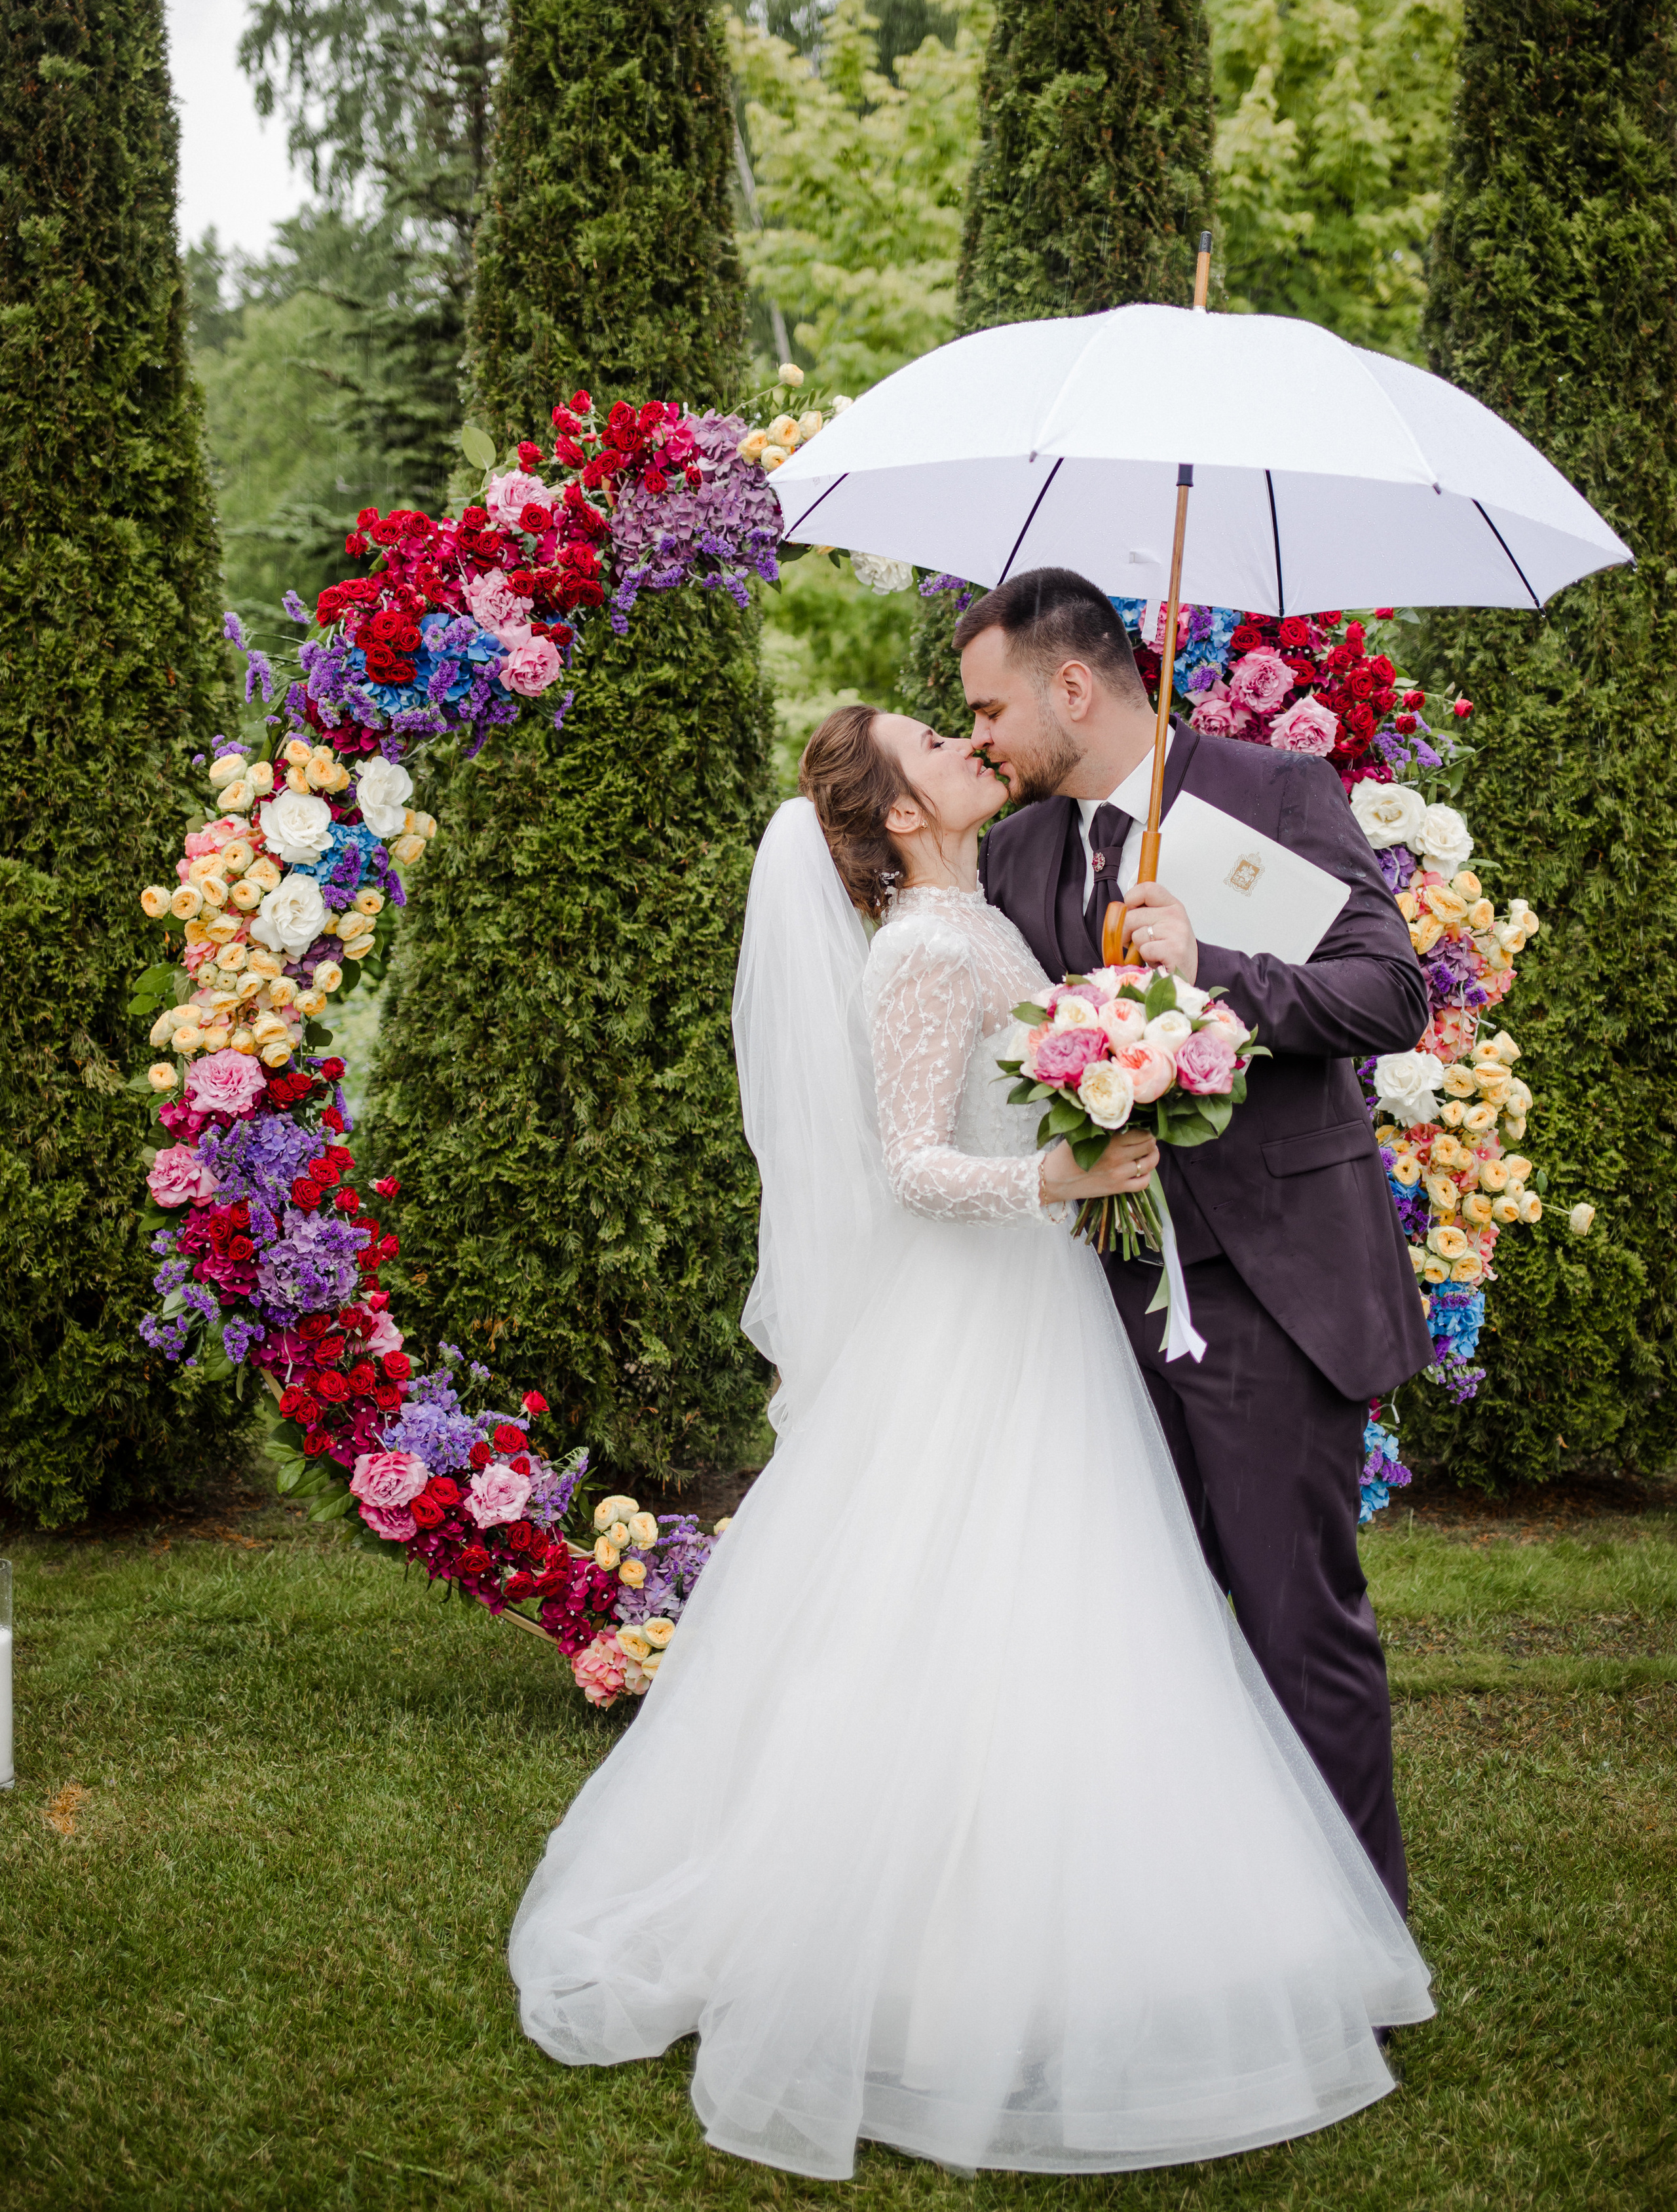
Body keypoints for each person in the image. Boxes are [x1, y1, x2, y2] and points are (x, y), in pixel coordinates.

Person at [508, 702, 1433, 2183]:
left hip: (1052, 1309)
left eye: (967, 718)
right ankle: (935, 1954)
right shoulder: (927, 946)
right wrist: (1060, 1174)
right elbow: (915, 1166)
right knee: (985, 1614)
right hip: (992, 1307)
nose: (964, 745)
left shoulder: (993, 892)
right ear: (891, 818)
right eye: (935, 741)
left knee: (1087, 1613)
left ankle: (1138, 1923)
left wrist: (1146, 1032)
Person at [958, 567, 1434, 1913]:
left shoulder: (1267, 799)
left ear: (1071, 684)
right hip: (1091, 1300)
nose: (981, 738)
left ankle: (1353, 1943)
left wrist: (1216, 967)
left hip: (1266, 1287)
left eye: (990, 709)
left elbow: (1386, 990)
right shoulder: (1018, 853)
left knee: (1293, 1623)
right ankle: (1180, 1919)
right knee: (1129, 1623)